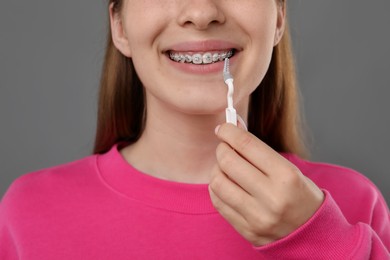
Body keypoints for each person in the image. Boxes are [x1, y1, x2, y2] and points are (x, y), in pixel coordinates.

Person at [1, 0, 389, 259]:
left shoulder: (352, 207)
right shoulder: (26, 215)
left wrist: (318, 239)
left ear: (279, 16)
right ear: (119, 25)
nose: (201, 12)